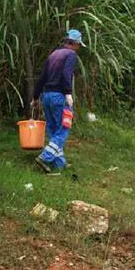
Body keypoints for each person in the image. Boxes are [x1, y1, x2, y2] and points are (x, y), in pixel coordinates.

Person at [31, 29, 85, 173]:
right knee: (64, 128)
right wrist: (68, 93)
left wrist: (36, 97)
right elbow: (67, 74)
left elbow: (42, 77)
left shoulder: (53, 54)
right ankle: (45, 157)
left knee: (53, 129)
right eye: (79, 45)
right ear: (74, 44)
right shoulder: (71, 54)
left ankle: (59, 163)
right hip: (59, 97)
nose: (78, 48)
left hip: (46, 96)